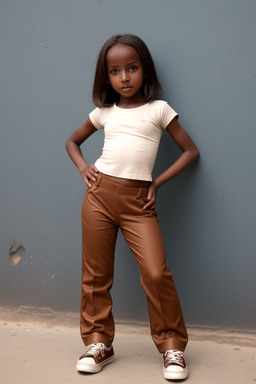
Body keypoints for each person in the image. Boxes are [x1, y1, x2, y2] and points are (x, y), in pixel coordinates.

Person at [65, 34, 199, 381]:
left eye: (132, 68)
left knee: (156, 273)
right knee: (95, 276)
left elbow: (190, 152)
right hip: (99, 197)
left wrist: (156, 182)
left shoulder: (160, 110)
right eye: (114, 71)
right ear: (106, 77)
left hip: (139, 202)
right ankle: (98, 343)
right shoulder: (104, 112)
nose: (124, 77)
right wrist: (83, 167)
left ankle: (172, 346)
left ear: (145, 70)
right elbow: (73, 141)